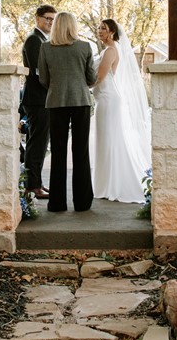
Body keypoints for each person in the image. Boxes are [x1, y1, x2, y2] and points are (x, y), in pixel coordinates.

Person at [37, 12, 97, 212]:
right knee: (81, 152)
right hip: (80, 100)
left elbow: (43, 79)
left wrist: (58, 86)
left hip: (56, 101)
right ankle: (82, 202)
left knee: (58, 152)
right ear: (73, 26)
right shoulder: (85, 47)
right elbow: (91, 78)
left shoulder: (45, 48)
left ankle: (57, 203)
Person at [91, 18, 152, 203]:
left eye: (104, 28)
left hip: (108, 99)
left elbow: (100, 77)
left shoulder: (110, 51)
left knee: (111, 141)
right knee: (106, 141)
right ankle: (105, 184)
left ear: (112, 32)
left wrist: (82, 87)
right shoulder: (106, 50)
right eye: (99, 28)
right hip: (103, 99)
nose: (100, 30)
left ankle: (115, 184)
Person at [21, 5, 57, 199]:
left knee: (42, 143)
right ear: (37, 18)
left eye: (53, 19)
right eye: (47, 18)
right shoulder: (34, 40)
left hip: (43, 98)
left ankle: (37, 182)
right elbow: (38, 72)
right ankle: (32, 185)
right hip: (37, 98)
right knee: (36, 143)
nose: (50, 22)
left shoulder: (44, 39)